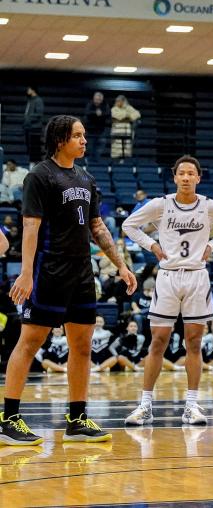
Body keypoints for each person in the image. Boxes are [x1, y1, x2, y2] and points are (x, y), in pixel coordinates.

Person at [2, 115, 137, 445]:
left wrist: (121, 264)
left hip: (81, 273)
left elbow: (98, 228)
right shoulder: (40, 176)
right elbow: (31, 228)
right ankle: (9, 418)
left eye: (84, 135)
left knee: (82, 345)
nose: (84, 140)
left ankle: (77, 419)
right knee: (30, 341)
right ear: (60, 139)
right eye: (77, 135)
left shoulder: (87, 178)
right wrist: (26, 273)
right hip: (49, 271)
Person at [121, 155, 213, 427]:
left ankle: (191, 405)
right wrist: (152, 245)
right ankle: (145, 405)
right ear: (174, 177)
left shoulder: (210, 206)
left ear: (198, 177)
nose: (186, 177)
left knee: (194, 343)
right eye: (182, 173)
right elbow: (129, 225)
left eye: (191, 173)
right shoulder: (161, 205)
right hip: (168, 277)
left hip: (197, 277)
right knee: (158, 342)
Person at [110, 95, 141, 159]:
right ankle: (116, 160)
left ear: (123, 101)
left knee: (126, 146)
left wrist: (128, 117)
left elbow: (137, 114)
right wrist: (127, 115)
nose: (118, 102)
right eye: (117, 101)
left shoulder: (128, 108)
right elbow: (116, 115)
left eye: (120, 101)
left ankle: (125, 160)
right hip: (117, 129)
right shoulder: (114, 108)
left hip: (126, 129)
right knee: (117, 146)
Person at [83, 92, 109, 163]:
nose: (98, 100)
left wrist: (101, 114)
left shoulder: (105, 105)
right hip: (90, 129)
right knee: (89, 146)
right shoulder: (90, 104)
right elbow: (87, 113)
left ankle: (96, 160)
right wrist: (95, 113)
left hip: (101, 130)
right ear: (94, 98)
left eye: (100, 99)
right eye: (97, 99)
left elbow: (107, 114)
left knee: (100, 145)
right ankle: (88, 159)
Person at [23, 87, 45, 164]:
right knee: (29, 148)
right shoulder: (30, 100)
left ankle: (35, 165)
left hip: (35, 128)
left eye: (29, 89)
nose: (27, 91)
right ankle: (32, 164)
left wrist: (28, 120)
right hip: (28, 127)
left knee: (35, 149)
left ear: (33, 90)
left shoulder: (38, 100)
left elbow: (39, 114)